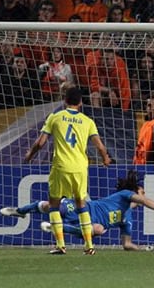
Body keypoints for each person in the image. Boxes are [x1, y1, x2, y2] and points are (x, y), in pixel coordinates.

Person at [0, 170, 154, 251]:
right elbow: (144, 200)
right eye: (142, 193)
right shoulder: (125, 194)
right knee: (52, 206)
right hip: (83, 208)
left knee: (98, 230)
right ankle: (21, 210)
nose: (143, 197)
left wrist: (145, 249)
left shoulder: (127, 218)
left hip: (88, 225)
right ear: (136, 192)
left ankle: (56, 227)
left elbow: (127, 244)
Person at [24, 86, 112, 255]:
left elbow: (40, 143)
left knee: (54, 205)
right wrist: (105, 159)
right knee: (81, 205)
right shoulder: (87, 121)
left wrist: (30, 155)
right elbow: (100, 146)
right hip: (80, 168)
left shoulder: (55, 117)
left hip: (61, 166)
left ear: (65, 101)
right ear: (80, 102)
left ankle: (60, 245)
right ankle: (89, 246)